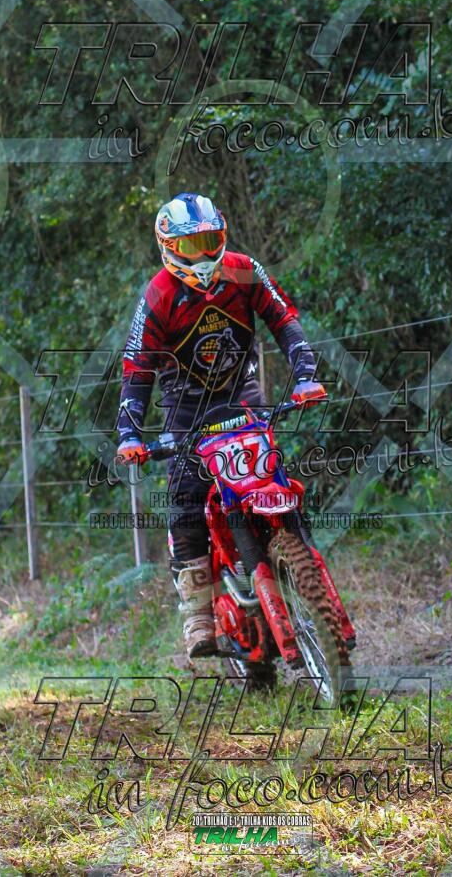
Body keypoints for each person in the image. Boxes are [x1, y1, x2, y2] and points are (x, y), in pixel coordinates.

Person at [116, 192, 326, 658]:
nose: (202, 255)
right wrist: (129, 433)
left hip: (242, 394)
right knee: (186, 499)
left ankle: (304, 567)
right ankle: (197, 615)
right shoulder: (158, 296)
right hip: (185, 409)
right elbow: (137, 369)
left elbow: (284, 319)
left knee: (272, 476)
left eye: (209, 241)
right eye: (190, 246)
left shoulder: (243, 269)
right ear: (168, 247)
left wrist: (306, 375)